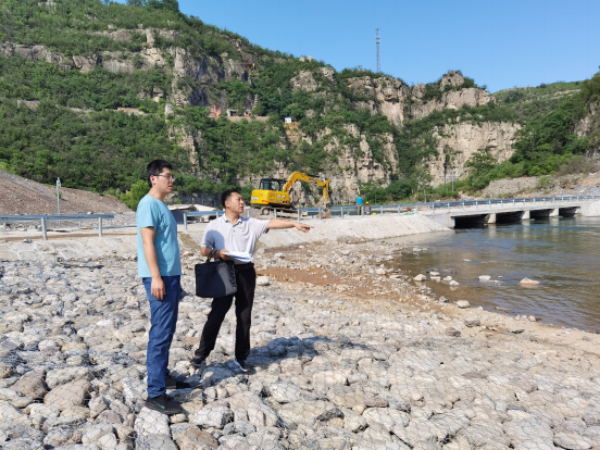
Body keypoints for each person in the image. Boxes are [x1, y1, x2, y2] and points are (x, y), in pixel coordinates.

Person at [190, 189, 313, 372]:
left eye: (242, 199)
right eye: (238, 199)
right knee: (216, 315)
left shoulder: (251, 223)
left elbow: (271, 222)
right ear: (227, 203)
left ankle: (242, 357)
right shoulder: (214, 225)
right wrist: (218, 253)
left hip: (246, 272)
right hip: (224, 271)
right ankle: (201, 354)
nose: (242, 202)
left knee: (244, 316)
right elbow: (203, 249)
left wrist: (294, 224)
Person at [137, 160, 189, 415]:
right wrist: (156, 277)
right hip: (161, 278)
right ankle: (155, 394)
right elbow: (147, 243)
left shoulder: (161, 205)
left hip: (170, 276)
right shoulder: (148, 204)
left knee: (167, 331)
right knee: (159, 334)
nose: (171, 180)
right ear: (153, 178)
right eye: (167, 176)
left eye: (172, 176)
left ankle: (163, 377)